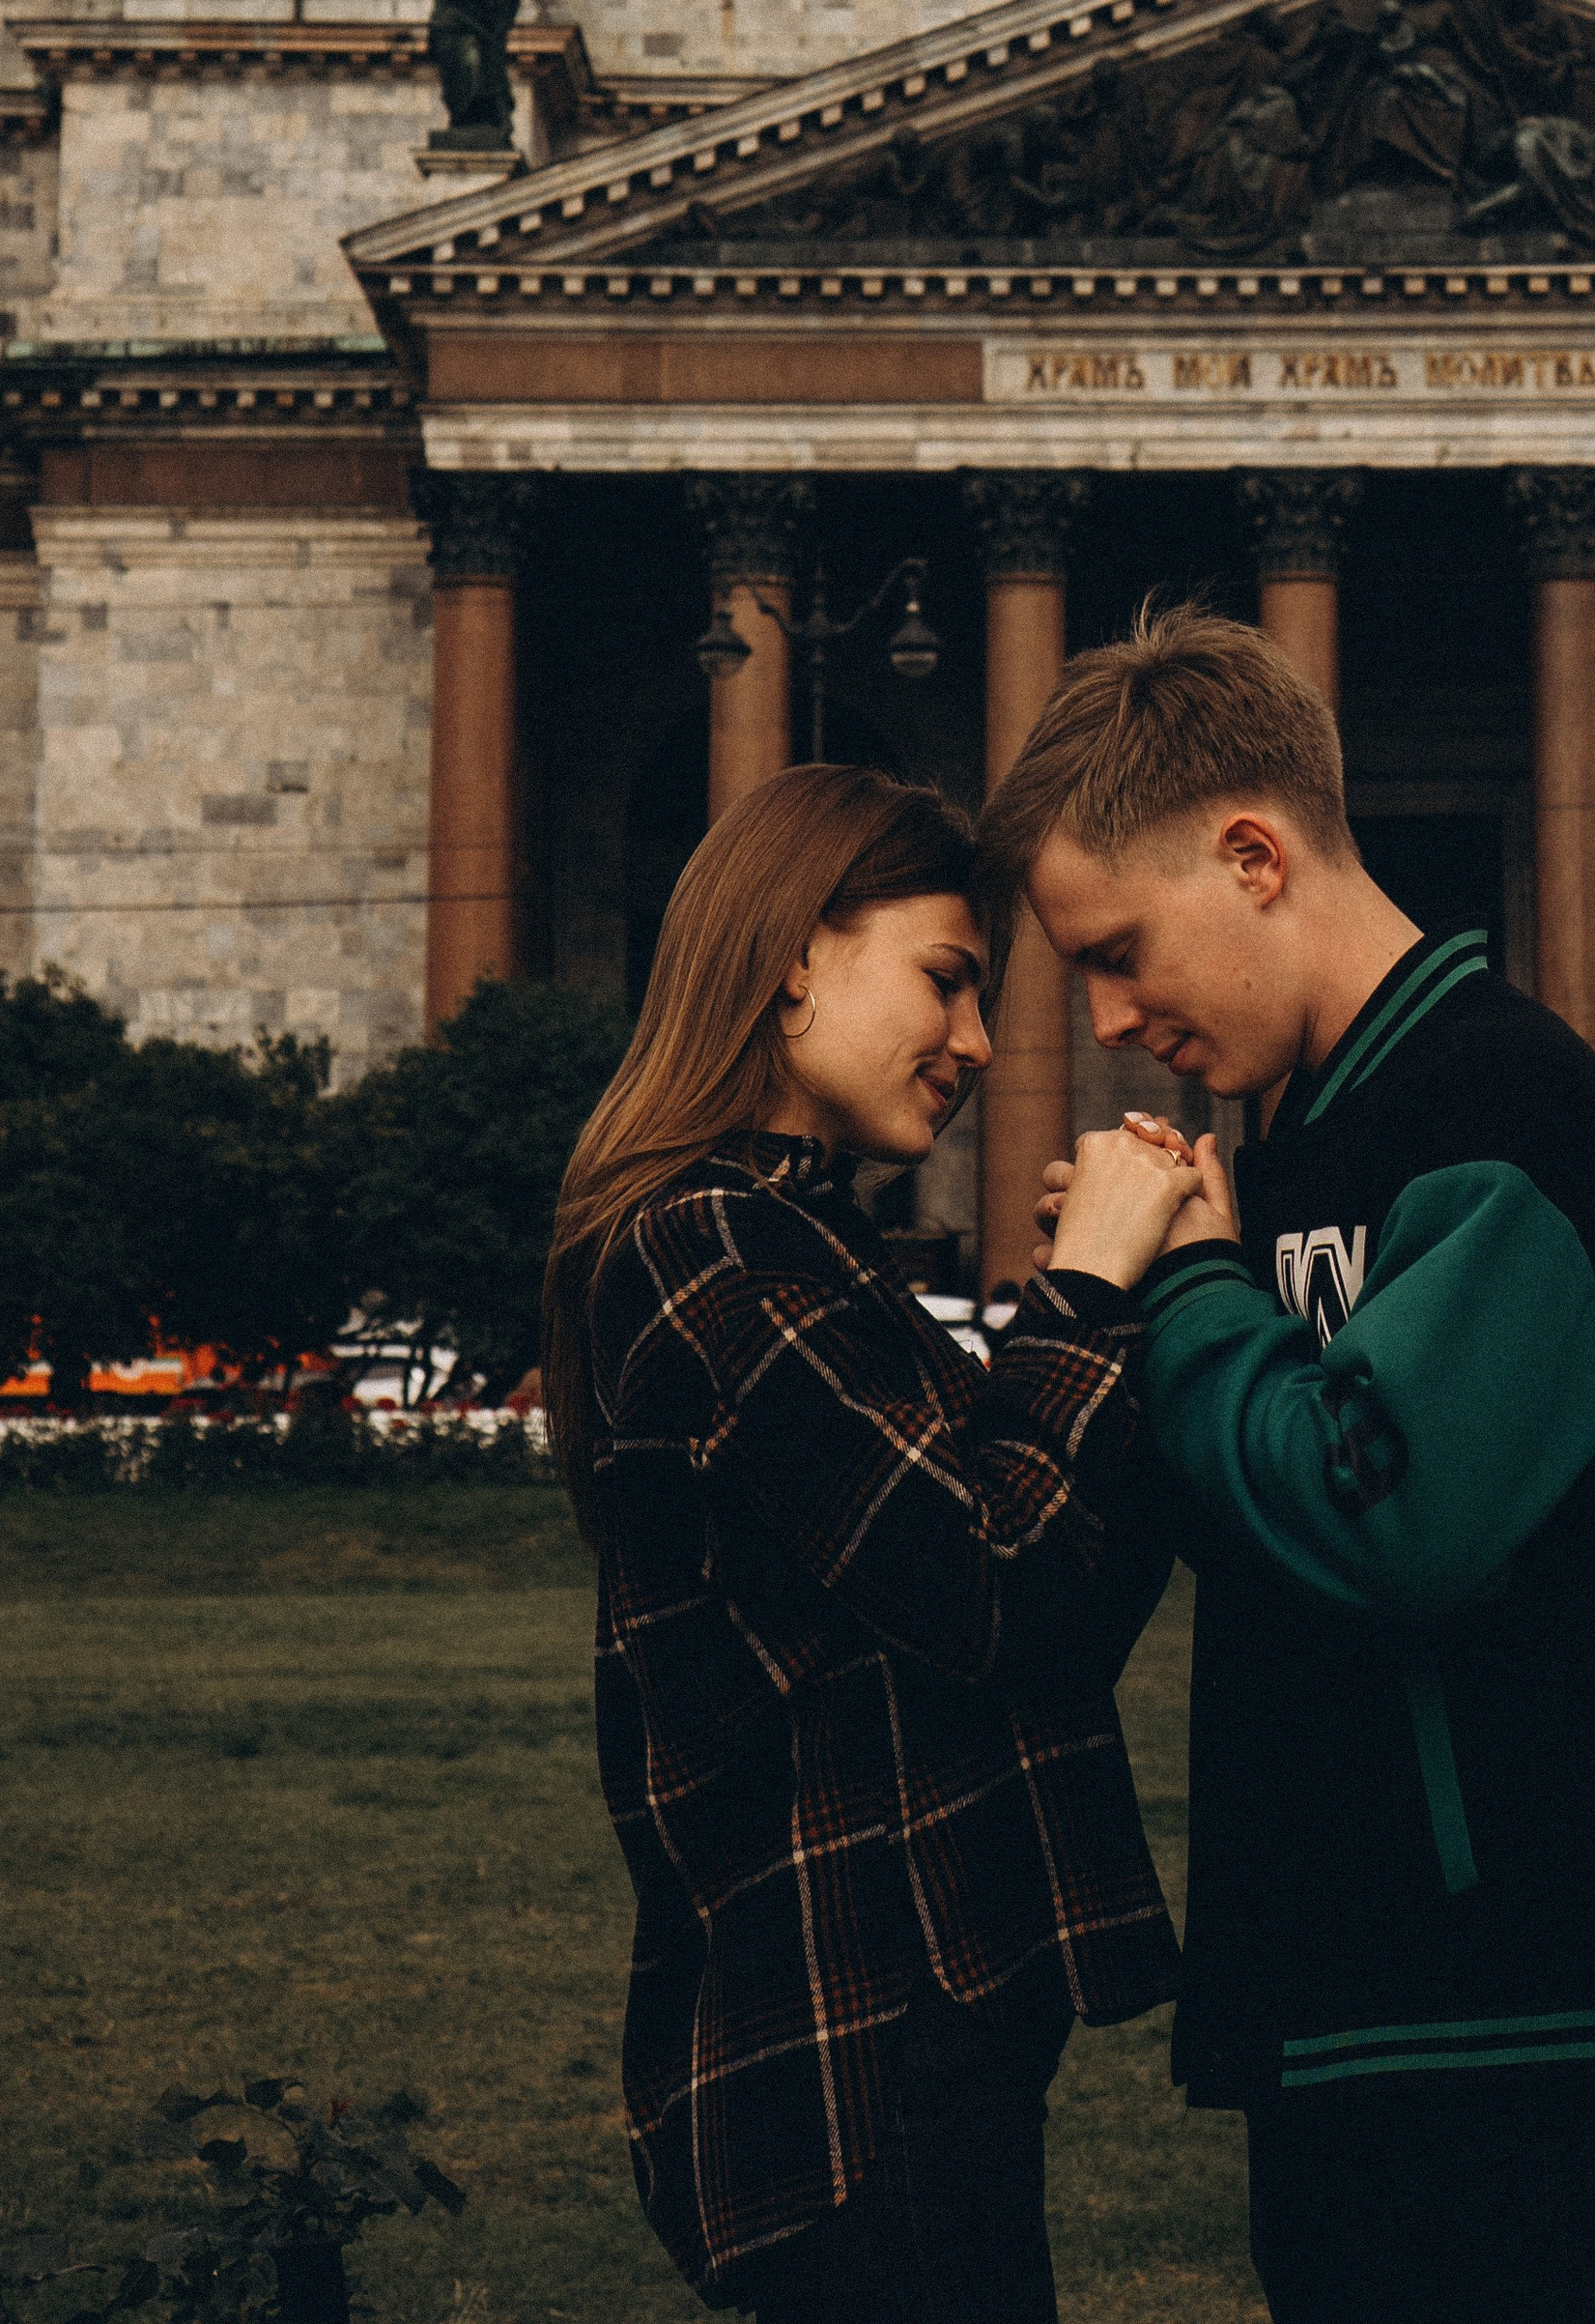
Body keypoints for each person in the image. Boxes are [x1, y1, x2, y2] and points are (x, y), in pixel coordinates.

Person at [983, 608, 1595, 2324]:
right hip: (1371, 1984)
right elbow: (1254, 1507)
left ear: (1251, 855)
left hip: (1521, 1999)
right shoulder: (1314, 1132)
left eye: (1118, 950)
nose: (1107, 1019)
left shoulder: (1500, 1105)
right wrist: (1115, 1317)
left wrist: (1185, 1283)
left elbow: (1381, 1510)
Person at [542, 761, 1204, 2320]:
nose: (981, 1046)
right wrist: (1089, 1300)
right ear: (793, 961)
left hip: (912, 2051)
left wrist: (1161, 1324)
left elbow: (1050, 1625)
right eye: (947, 982)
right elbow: (992, 1583)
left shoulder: (805, 1242)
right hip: (844, 2071)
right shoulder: (705, 1241)